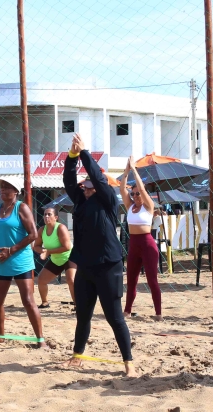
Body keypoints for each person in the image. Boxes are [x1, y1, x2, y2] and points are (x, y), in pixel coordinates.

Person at [63, 134, 136, 377]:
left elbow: (97, 177)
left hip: (108, 266)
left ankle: (128, 362)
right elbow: (68, 180)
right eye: (84, 187)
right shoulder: (81, 201)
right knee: (83, 315)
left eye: (88, 187)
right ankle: (77, 355)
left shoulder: (107, 199)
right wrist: (72, 157)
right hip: (86, 266)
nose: (84, 189)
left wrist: (85, 153)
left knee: (114, 317)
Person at [0, 178, 44, 346]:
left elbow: (33, 234)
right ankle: (0, 336)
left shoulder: (22, 208)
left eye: (7, 187)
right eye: (1, 187)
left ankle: (40, 340)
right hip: (2, 261)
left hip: (20, 260)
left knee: (28, 300)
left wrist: (11, 250)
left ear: (16, 191)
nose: (2, 190)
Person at [118, 157, 162, 320]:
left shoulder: (148, 206)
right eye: (133, 193)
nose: (136, 195)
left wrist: (135, 170)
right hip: (134, 245)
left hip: (148, 244)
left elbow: (142, 189)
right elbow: (122, 188)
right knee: (131, 280)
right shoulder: (130, 206)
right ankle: (127, 310)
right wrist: (126, 169)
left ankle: (158, 313)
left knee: (152, 280)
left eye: (138, 193)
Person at [32, 207, 75, 308]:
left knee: (71, 280)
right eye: (45, 214)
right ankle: (45, 302)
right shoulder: (42, 230)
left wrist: (48, 252)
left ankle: (77, 305)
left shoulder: (61, 228)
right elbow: (36, 246)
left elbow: (67, 247)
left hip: (69, 257)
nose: (46, 216)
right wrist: (43, 251)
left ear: (56, 217)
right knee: (41, 280)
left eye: (49, 214)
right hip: (56, 259)